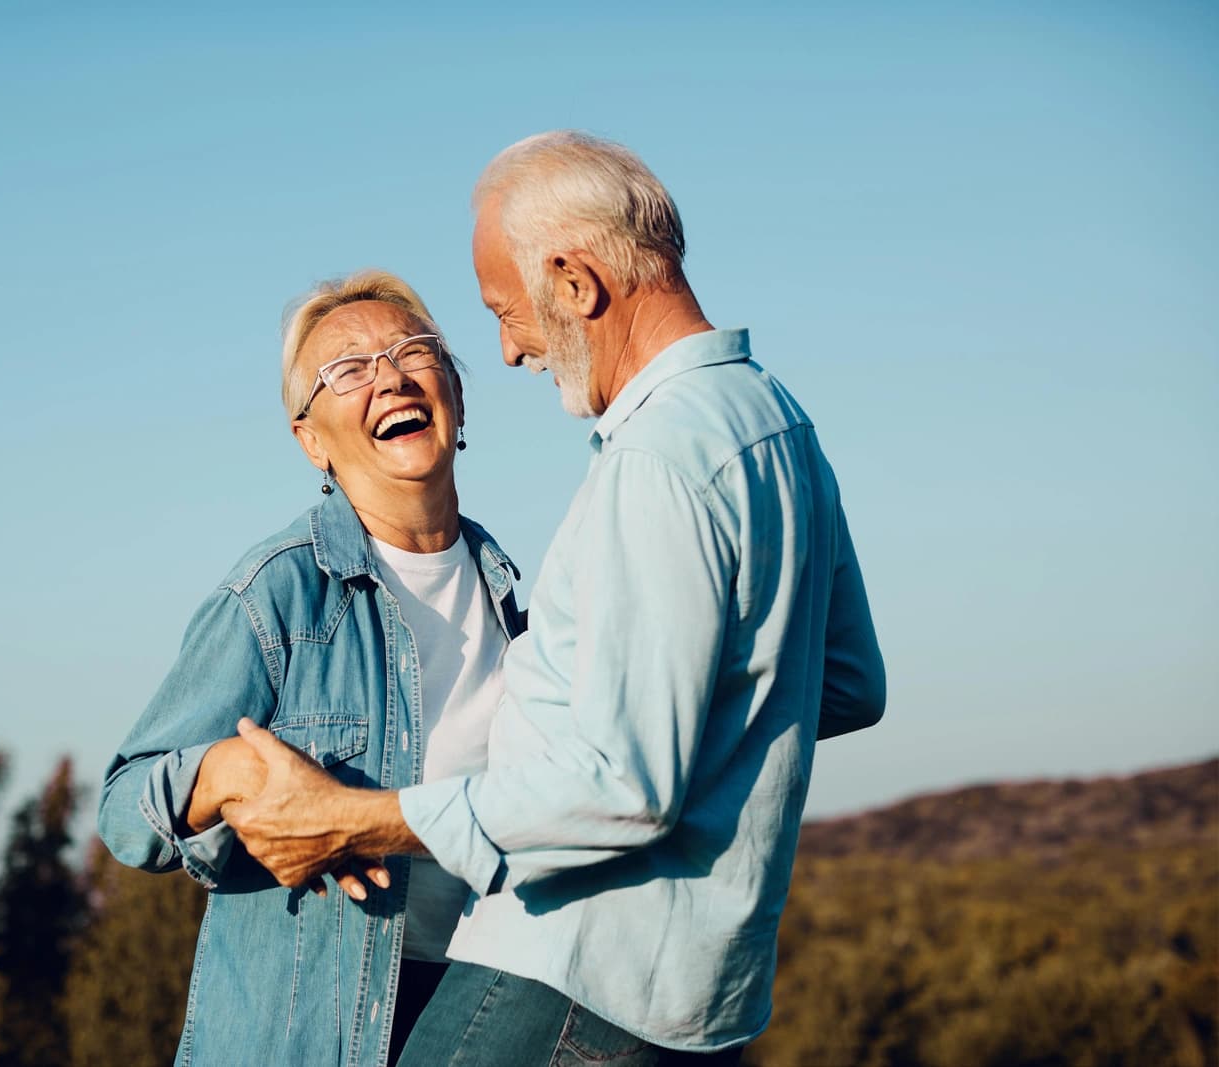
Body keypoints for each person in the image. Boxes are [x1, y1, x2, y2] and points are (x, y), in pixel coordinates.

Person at [223, 131, 888, 1066]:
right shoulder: (776, 420)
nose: (507, 350)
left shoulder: (655, 464)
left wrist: (357, 817)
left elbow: (623, 785)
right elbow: (850, 683)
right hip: (706, 998)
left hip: (570, 975)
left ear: (576, 284)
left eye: (508, 311)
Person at [96, 270, 526, 1066]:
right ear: (311, 439)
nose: (390, 377)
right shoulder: (279, 591)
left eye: (413, 352)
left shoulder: (514, 596)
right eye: (348, 370)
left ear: (456, 395)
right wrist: (226, 770)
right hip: (310, 1038)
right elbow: (125, 806)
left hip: (476, 1010)